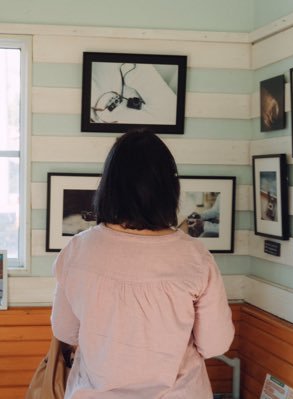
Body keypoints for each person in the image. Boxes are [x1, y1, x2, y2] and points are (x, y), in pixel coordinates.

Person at [50, 129, 235, 399]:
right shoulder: (195, 256)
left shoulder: (77, 250)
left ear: (109, 185)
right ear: (169, 188)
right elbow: (216, 343)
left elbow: (64, 330)